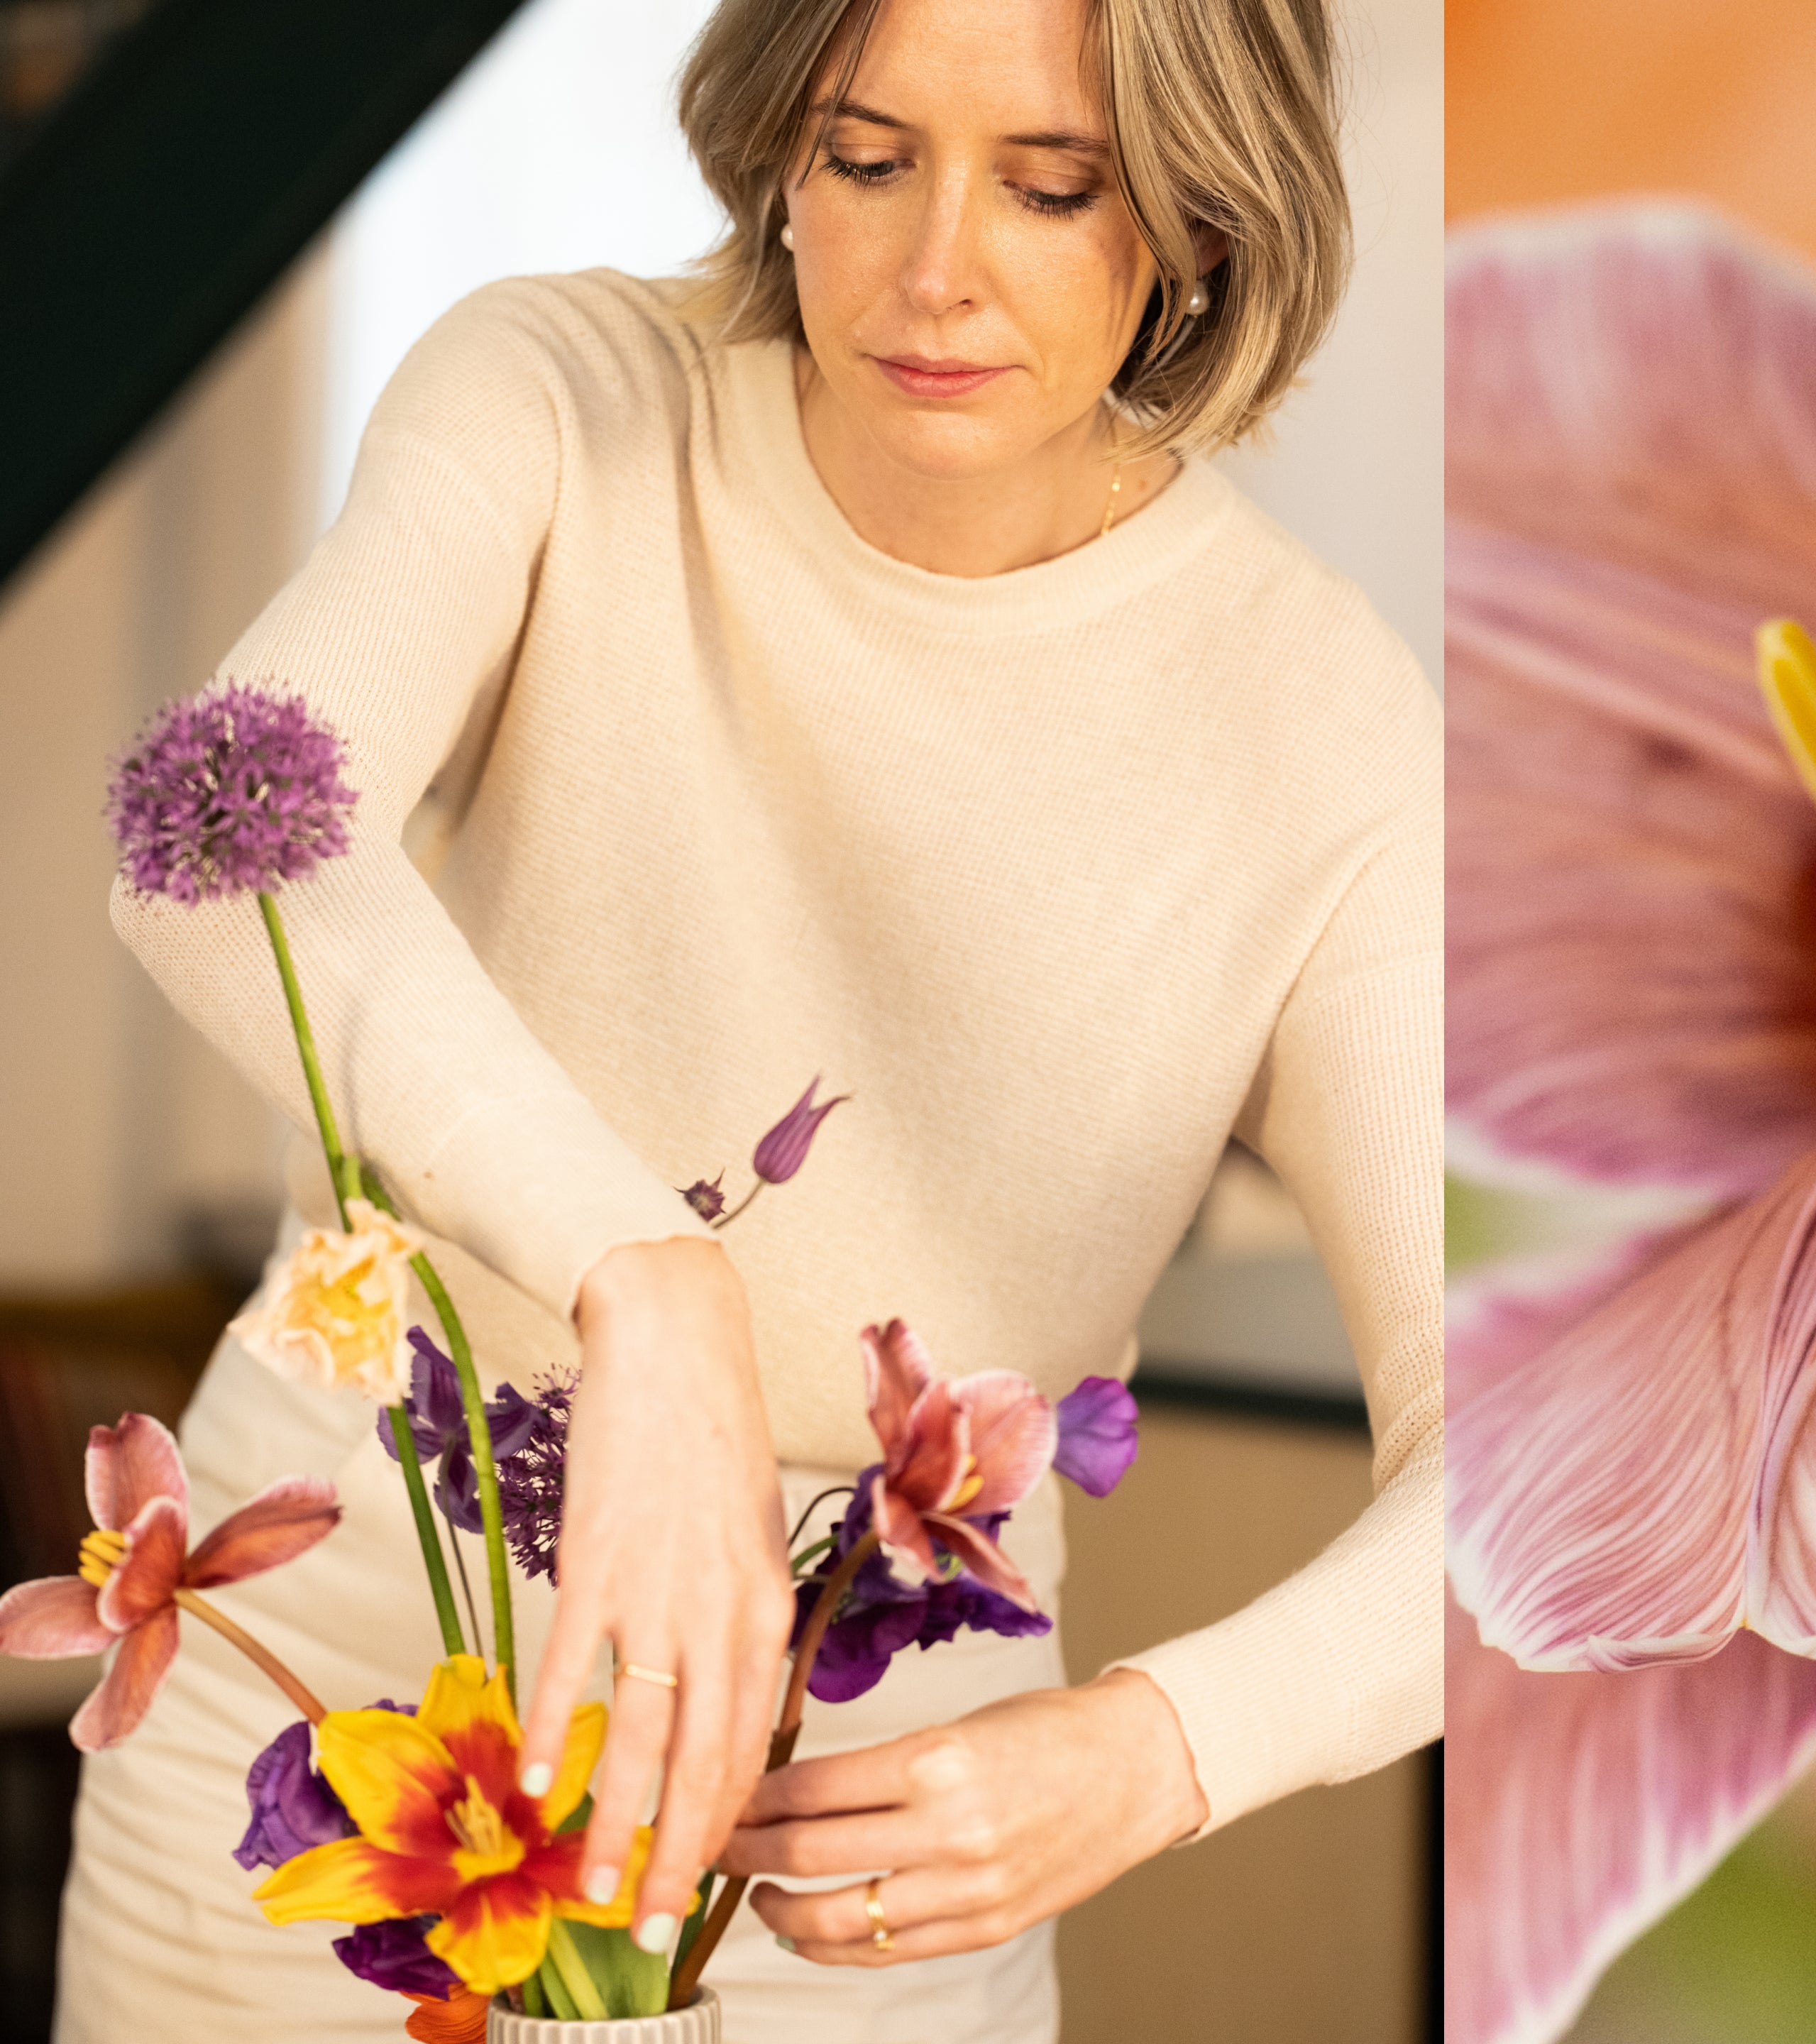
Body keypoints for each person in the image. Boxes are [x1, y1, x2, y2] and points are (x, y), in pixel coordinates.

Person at [58, 0, 1438, 2034]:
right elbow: (214, 842)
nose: (934, 266)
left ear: (1202, 225)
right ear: (779, 147)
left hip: (845, 1880)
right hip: (315, 1748)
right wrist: (646, 1274)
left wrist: (1170, 1743)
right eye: (864, 158)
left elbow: (1527, 1482)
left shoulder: (1328, 744)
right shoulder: (561, 394)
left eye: (1052, 187)